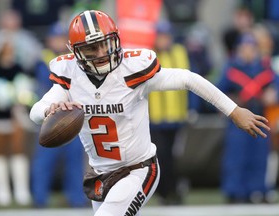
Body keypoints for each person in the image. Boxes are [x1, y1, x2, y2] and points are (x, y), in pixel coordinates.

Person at [30, 10, 270, 216]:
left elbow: (188, 78)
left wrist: (234, 110)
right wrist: (50, 110)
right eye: (92, 47)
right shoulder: (69, 75)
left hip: (138, 170)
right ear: (76, 51)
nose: (102, 51)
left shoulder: (132, 70)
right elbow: (36, 111)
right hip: (101, 175)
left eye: (105, 43)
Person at [30, 22, 88, 208]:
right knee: (45, 159)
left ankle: (76, 198)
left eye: (63, 38)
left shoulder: (74, 62)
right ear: (49, 40)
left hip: (72, 117)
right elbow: (46, 89)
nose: (59, 42)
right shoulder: (43, 60)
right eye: (56, 38)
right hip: (51, 116)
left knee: (74, 160)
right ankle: (39, 198)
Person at [217, 33, 277, 204]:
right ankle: (234, 191)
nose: (248, 52)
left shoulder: (264, 69)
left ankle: (258, 190)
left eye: (251, 48)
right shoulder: (231, 69)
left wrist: (273, 94)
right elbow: (217, 91)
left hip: (259, 117)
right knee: (236, 157)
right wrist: (229, 100)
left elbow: (276, 85)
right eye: (245, 48)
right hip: (238, 119)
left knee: (259, 157)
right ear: (239, 50)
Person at [148, 20, 190, 205]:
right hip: (155, 117)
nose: (164, 40)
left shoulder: (179, 52)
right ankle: (163, 192)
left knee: (175, 158)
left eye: (166, 36)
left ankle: (174, 190)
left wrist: (192, 108)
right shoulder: (148, 55)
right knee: (160, 156)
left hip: (177, 116)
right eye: (161, 37)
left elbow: (190, 79)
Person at [0, 33, 34, 206]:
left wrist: (20, 96)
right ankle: (2, 191)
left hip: (16, 117)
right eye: (6, 49)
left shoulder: (19, 68)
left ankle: (21, 190)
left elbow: (26, 92)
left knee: (18, 152)